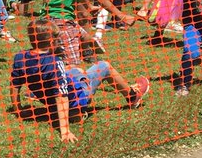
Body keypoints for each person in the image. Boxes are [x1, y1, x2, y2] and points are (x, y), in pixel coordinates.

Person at [10, 19, 149, 144]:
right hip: (76, 99)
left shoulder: (20, 57)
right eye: (58, 40)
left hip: (49, 103)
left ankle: (72, 107)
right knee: (104, 66)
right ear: (52, 42)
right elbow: (61, 96)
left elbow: (14, 85)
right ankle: (132, 96)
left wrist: (18, 109)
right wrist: (65, 131)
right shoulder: (55, 62)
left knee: (74, 69)